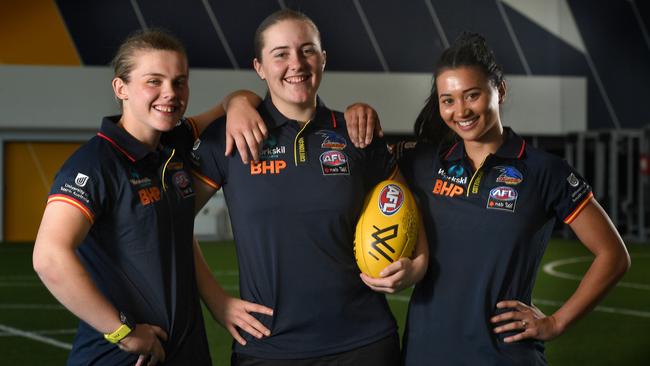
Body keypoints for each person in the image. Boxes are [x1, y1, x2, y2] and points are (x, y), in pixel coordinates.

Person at [348, 32, 630, 365]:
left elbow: (614, 255)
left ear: (500, 91)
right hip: (426, 354)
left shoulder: (544, 171)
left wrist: (555, 322)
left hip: (505, 356)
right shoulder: (422, 162)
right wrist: (356, 112)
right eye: (448, 100)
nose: (460, 110)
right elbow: (349, 151)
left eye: (472, 95)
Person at [190, 9, 428, 366]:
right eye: (281, 54)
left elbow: (406, 203)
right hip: (267, 349)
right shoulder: (229, 138)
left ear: (323, 59)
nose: (296, 63)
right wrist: (217, 302)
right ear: (259, 67)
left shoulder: (356, 132)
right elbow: (169, 224)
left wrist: (418, 265)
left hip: (363, 343)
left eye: (308, 50)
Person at [32, 29, 273, 366]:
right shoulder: (94, 164)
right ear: (121, 88)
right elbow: (49, 257)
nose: (170, 93)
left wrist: (238, 104)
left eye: (179, 81)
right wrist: (123, 332)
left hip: (186, 349)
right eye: (153, 81)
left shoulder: (174, 142)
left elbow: (234, 99)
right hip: (124, 355)